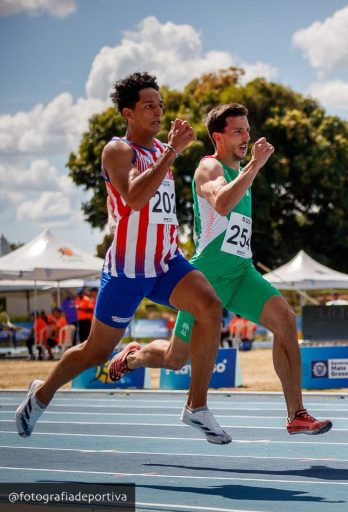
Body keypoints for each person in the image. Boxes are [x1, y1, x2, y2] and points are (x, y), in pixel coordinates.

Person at [15, 72, 227, 443]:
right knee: (95, 352)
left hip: (166, 262)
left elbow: (159, 208)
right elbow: (132, 197)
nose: (158, 111)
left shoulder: (161, 150)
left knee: (210, 307)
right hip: (128, 270)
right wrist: (172, 152)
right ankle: (41, 395)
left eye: (160, 105)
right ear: (128, 113)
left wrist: (169, 154)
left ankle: (196, 406)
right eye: (149, 106)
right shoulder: (118, 150)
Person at [108, 103, 331, 435]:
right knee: (174, 358)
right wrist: (255, 164)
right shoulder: (207, 169)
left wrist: (250, 168)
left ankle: (296, 414)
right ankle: (131, 358)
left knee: (285, 320)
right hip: (207, 278)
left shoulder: (243, 171)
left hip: (241, 273)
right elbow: (223, 203)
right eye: (238, 131)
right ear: (218, 137)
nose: (246, 137)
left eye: (247, 130)